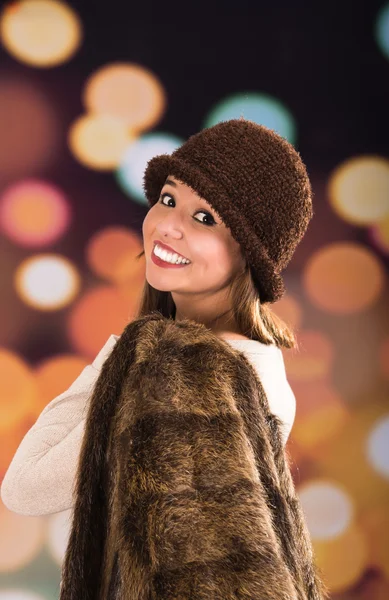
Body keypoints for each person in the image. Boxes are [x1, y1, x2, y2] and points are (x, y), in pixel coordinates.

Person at [1, 118, 328, 599]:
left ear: (249, 256)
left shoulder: (183, 372)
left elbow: (25, 486)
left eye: (205, 218)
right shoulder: (259, 363)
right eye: (169, 199)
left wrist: (125, 354)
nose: (168, 226)